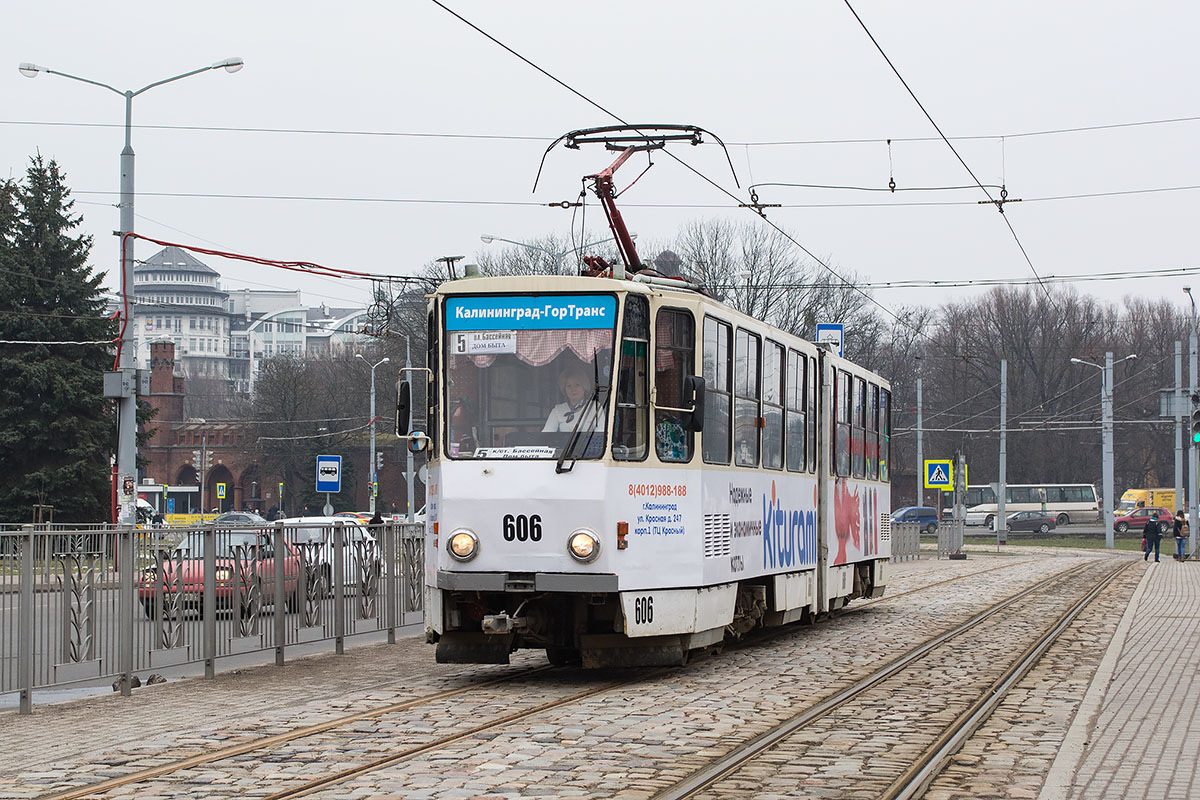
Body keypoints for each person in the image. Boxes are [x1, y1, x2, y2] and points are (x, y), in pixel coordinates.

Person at [543, 364, 604, 433]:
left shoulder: (595, 407)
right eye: (569, 386)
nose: (573, 389)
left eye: (577, 385)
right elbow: (547, 433)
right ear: (564, 389)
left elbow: (601, 432)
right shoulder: (558, 410)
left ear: (584, 387)